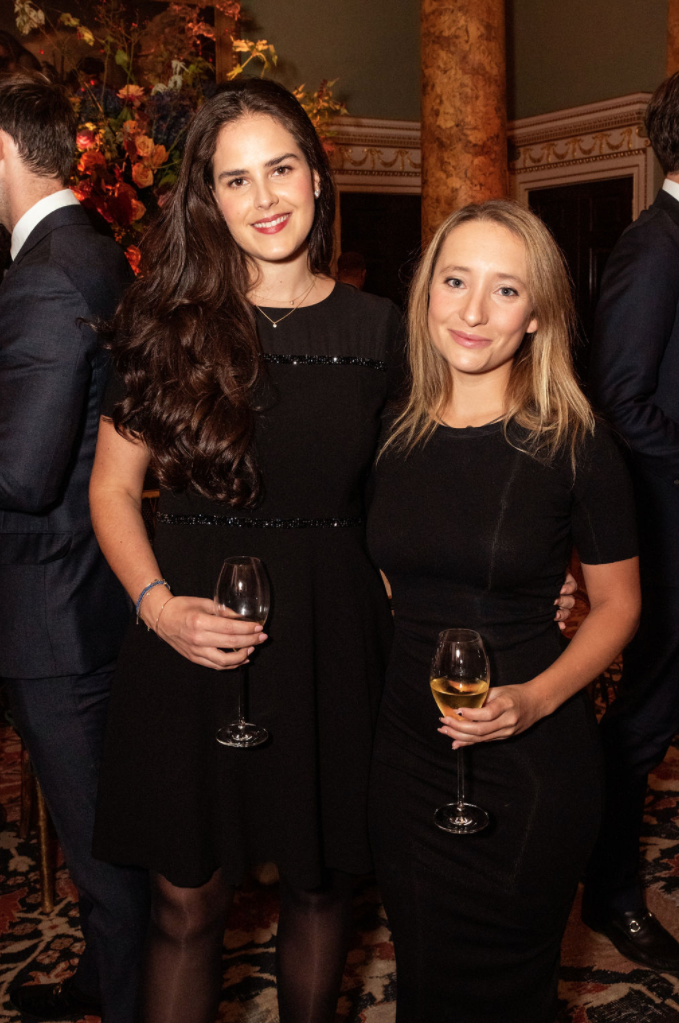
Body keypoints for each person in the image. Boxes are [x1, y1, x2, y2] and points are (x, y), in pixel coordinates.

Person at [88, 78, 400, 1023]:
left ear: (316, 176)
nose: (264, 199)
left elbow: (411, 498)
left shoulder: (383, 330)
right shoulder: (164, 321)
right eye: (236, 180)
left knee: (319, 885)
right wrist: (155, 607)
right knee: (186, 899)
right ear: (208, 199)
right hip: (184, 627)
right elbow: (111, 490)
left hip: (329, 638)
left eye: (280, 169)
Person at [366, 199, 641, 1023]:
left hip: (531, 757)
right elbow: (383, 571)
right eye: (455, 280)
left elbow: (618, 605)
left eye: (506, 290)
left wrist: (533, 699)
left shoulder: (575, 441)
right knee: (424, 980)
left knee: (507, 992)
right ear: (426, 291)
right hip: (408, 751)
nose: (474, 311)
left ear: (536, 317)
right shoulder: (387, 429)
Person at [0, 72, 149, 1023]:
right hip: (82, 591)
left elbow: (23, 473)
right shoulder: (90, 250)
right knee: (103, 833)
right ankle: (102, 983)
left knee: (104, 852)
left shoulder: (49, 271)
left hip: (53, 609)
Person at [582, 72, 679, 971]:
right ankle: (609, 892)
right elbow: (620, 400)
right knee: (644, 719)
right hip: (667, 530)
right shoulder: (654, 247)